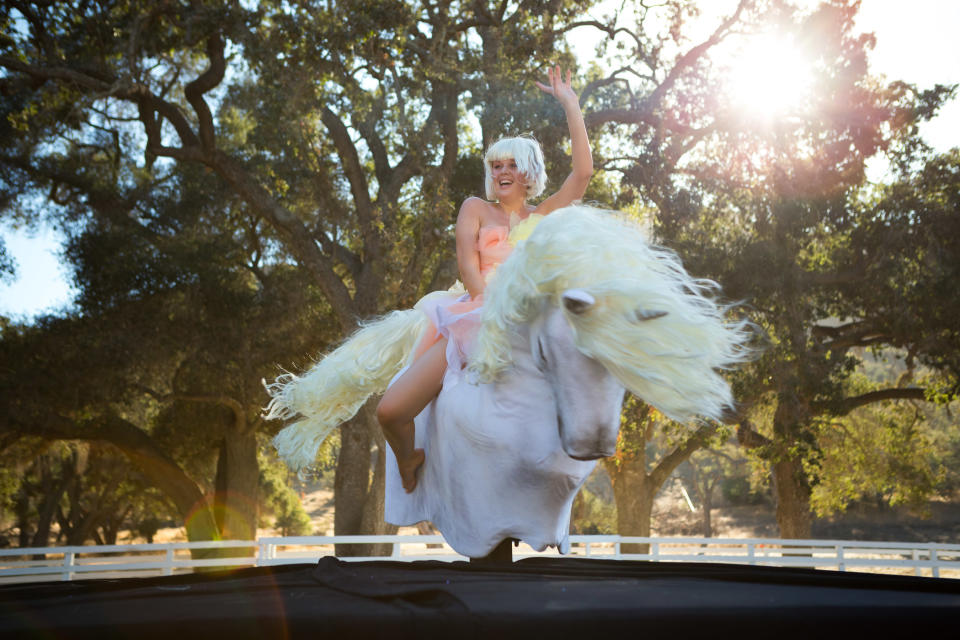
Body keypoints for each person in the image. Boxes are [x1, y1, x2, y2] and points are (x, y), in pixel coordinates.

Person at [375, 65, 594, 493]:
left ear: (529, 172)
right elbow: (468, 267)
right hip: (476, 312)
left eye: (512, 164)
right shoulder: (474, 207)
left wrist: (570, 105)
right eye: (496, 165)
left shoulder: (542, 215)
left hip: (527, 315)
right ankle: (408, 458)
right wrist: (489, 311)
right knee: (389, 412)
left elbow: (582, 175)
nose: (502, 171)